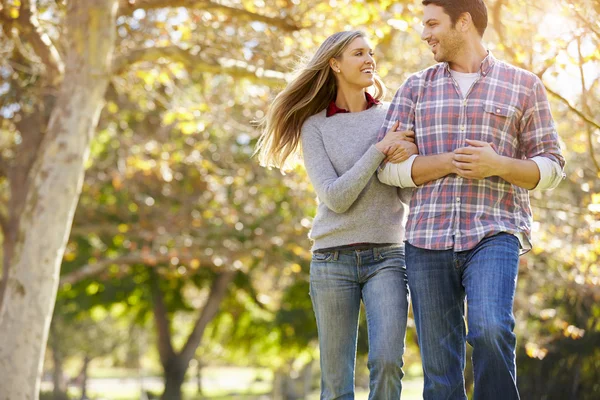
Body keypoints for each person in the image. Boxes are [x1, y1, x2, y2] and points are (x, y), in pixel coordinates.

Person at [376, 1, 565, 399]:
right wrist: (444, 162)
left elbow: (551, 166)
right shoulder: (414, 87)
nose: (425, 33)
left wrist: (498, 165)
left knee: (491, 326)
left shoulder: (523, 84)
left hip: (494, 230)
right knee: (440, 368)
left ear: (463, 21)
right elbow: (388, 170)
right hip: (426, 238)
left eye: (432, 23)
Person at [255, 31, 417, 399]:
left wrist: (407, 155)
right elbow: (335, 197)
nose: (369, 59)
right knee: (336, 382)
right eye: (358, 53)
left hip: (388, 257)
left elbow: (406, 192)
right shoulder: (315, 126)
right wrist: (379, 151)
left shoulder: (392, 116)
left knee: (389, 363)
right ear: (335, 64)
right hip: (332, 260)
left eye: (370, 53)